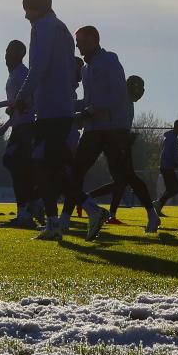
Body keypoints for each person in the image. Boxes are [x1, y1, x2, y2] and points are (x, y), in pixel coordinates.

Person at [70, 28, 160, 239]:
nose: (77, 46)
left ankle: (151, 213)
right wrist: (66, 106)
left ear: (93, 40)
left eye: (80, 41)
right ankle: (70, 218)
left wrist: (87, 112)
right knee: (75, 173)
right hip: (94, 129)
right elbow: (88, 101)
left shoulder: (110, 60)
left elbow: (115, 96)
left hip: (113, 130)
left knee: (126, 175)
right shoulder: (86, 70)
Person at [13, 0, 77, 241]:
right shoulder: (62, 28)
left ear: (38, 8)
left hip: (51, 109)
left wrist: (21, 97)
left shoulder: (42, 27)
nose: (26, 15)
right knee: (50, 166)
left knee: (41, 165)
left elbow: (38, 68)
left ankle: (85, 211)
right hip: (62, 106)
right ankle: (54, 222)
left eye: (28, 9)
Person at [0, 40, 37, 228]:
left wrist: (22, 108)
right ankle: (26, 209)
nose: (5, 56)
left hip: (26, 128)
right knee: (15, 165)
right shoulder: (13, 76)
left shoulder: (23, 74)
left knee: (15, 164)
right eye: (6, 52)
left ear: (19, 55)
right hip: (19, 126)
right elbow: (15, 103)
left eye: (10, 52)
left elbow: (30, 98)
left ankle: (30, 207)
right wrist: (6, 123)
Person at [154, 119, 178, 213]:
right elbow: (167, 152)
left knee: (171, 189)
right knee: (175, 189)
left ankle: (158, 205)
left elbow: (169, 153)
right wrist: (175, 161)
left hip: (167, 166)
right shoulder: (172, 137)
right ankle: (158, 203)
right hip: (167, 167)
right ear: (177, 127)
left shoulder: (171, 137)